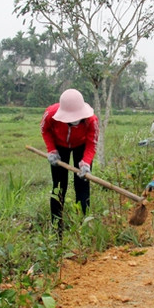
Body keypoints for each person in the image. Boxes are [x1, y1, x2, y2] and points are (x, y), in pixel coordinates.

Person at [41, 89, 99, 229]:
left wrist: (86, 162)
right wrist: (51, 150)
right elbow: (45, 130)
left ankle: (84, 224)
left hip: (81, 146)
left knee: (82, 184)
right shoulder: (51, 113)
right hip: (60, 147)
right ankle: (56, 227)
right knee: (59, 186)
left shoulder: (91, 120)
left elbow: (92, 143)